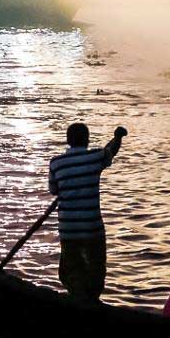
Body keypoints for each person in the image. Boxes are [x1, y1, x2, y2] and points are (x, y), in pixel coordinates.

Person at [47, 121, 127, 302]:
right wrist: (118, 137)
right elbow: (110, 151)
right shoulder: (95, 157)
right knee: (96, 269)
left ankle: (80, 300)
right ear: (87, 140)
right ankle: (89, 302)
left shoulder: (56, 163)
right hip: (92, 227)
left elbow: (54, 190)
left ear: (68, 141)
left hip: (69, 229)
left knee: (71, 270)